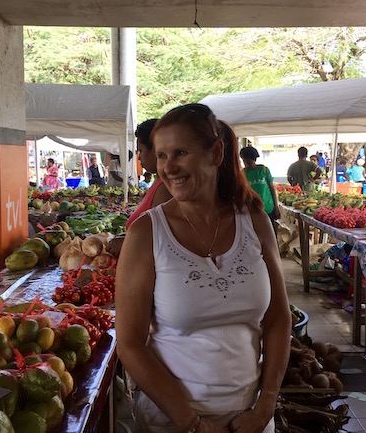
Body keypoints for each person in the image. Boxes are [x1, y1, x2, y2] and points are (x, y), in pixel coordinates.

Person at [115, 103, 290, 433]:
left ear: (216, 153)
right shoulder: (145, 234)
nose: (169, 167)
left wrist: (265, 407)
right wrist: (191, 423)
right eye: (162, 156)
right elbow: (130, 343)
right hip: (171, 422)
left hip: (250, 420)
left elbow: (279, 318)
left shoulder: (255, 223)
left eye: (180, 152)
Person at [106, 119, 173, 258]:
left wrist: (128, 241)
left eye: (140, 151)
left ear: (155, 150)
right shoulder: (158, 183)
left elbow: (163, 240)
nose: (139, 157)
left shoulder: (165, 189)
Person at [240, 145, 281, 225]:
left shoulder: (264, 170)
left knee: (270, 233)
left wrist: (276, 207)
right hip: (252, 210)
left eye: (249, 162)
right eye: (244, 162)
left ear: (254, 160)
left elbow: (272, 189)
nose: (247, 164)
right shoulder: (242, 173)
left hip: (268, 208)